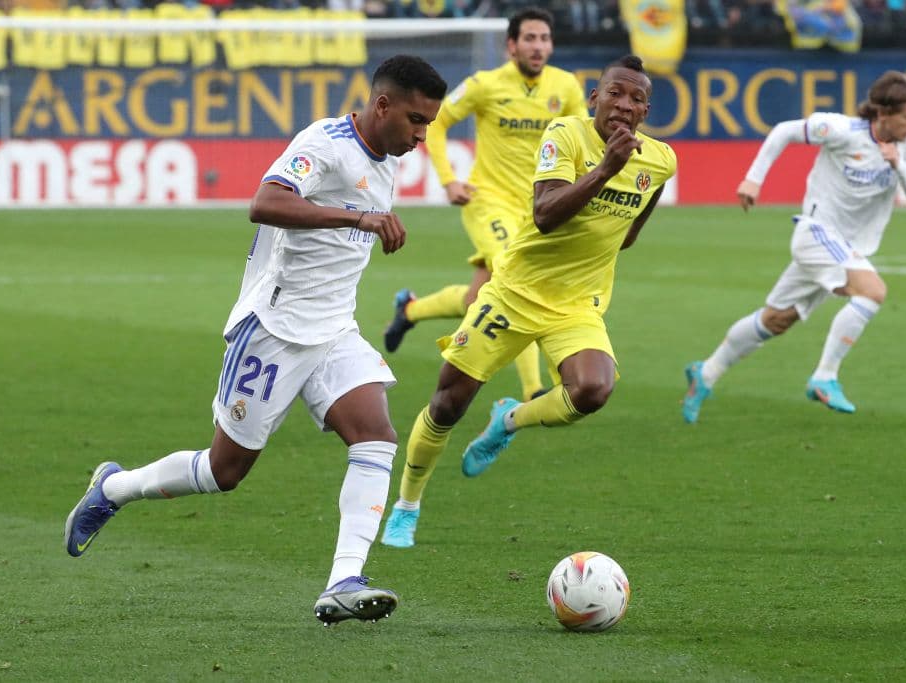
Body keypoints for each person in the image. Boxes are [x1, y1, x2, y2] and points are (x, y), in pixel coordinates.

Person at [63, 55, 447, 626]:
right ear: (382, 104)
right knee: (224, 471)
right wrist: (356, 217)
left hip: (334, 330)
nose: (421, 137)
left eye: (429, 125)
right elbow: (264, 203)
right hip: (274, 329)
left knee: (376, 435)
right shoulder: (324, 143)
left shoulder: (387, 157)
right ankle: (114, 488)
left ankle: (344, 580)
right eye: (416, 120)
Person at [381, 55, 677, 548]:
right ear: (594, 99)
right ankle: (406, 506)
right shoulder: (565, 134)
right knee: (448, 403)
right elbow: (545, 214)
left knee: (593, 390)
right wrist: (607, 169)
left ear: (646, 111)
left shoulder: (660, 160)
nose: (625, 105)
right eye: (615, 93)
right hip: (515, 292)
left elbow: (629, 234)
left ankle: (508, 419)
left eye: (637, 99)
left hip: (576, 305)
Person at [681, 70, 906, 423]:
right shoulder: (843, 130)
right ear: (883, 113)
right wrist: (753, 179)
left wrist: (899, 164)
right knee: (872, 291)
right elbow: (785, 130)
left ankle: (705, 373)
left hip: (845, 247)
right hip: (817, 233)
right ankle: (825, 376)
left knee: (777, 319)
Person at [382, 6, 588, 404]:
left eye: (544, 39)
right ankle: (533, 389)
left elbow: (583, 140)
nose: (538, 46)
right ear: (511, 45)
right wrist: (448, 179)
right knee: (517, 277)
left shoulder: (565, 87)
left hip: (537, 209)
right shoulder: (484, 84)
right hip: (489, 201)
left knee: (477, 299)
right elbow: (437, 123)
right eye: (529, 38)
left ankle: (410, 311)